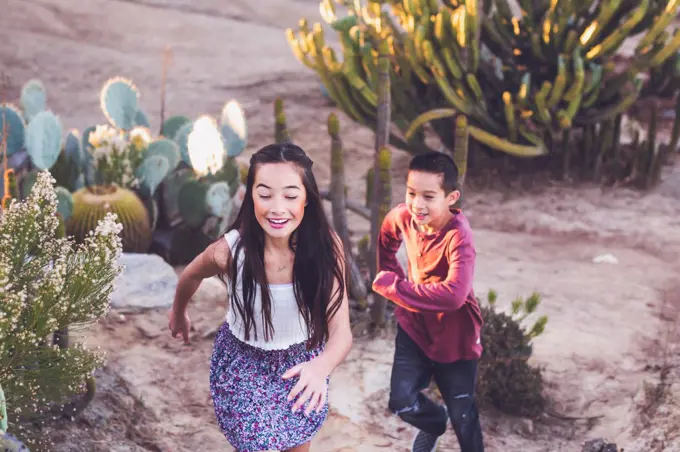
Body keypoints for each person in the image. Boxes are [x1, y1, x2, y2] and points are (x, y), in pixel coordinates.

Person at [168, 143, 353, 452]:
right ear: (249, 196)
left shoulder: (325, 247)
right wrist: (178, 311)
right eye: (265, 195)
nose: (277, 208)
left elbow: (341, 333)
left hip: (302, 360)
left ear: (307, 198)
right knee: (259, 445)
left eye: (291, 196)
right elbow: (191, 274)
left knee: (297, 444)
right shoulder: (230, 252)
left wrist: (321, 367)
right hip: (243, 363)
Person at [372, 151, 485, 452]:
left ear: (452, 197)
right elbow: (387, 236)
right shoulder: (403, 218)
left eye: (428, 196)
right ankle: (434, 422)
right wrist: (389, 271)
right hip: (414, 330)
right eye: (411, 193)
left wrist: (396, 289)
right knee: (401, 401)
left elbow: (454, 295)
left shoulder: (459, 237)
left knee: (464, 417)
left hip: (456, 338)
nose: (417, 204)